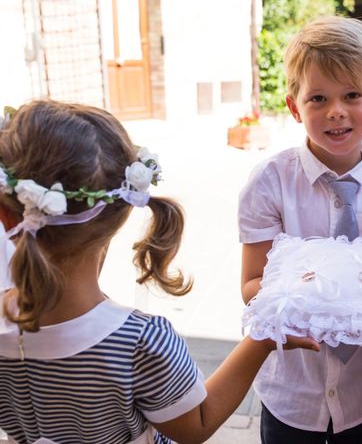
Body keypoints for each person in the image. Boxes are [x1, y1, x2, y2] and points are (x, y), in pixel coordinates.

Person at [0, 100, 319, 444]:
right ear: (119, 216)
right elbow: (196, 424)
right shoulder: (140, 342)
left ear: (7, 215)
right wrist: (262, 340)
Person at [238, 15, 362, 443]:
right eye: (318, 98)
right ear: (295, 107)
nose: (336, 111)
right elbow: (250, 284)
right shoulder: (268, 183)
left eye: (352, 94)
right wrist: (294, 303)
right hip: (291, 395)